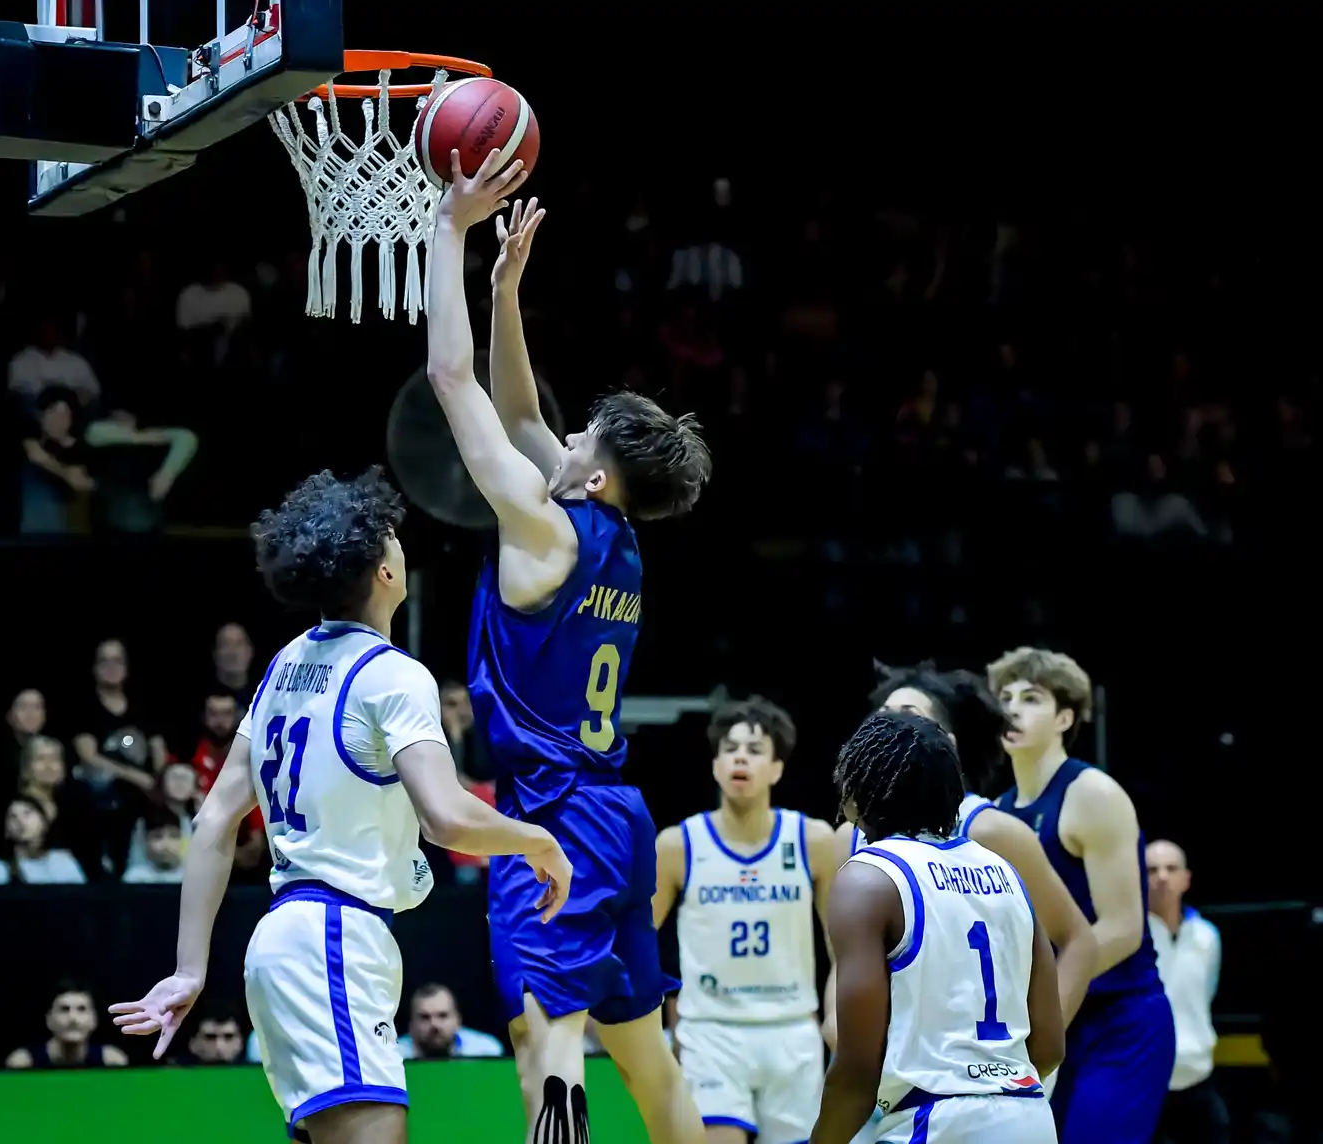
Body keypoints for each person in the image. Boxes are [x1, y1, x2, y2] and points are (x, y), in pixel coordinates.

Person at [109, 466, 572, 1144]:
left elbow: (212, 821)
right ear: (383, 571)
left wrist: (189, 969)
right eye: (393, 538)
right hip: (332, 938)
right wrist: (539, 841)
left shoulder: (283, 666)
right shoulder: (394, 676)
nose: (402, 546)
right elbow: (447, 817)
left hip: (289, 940)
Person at [427, 155, 712, 1144]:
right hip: (618, 814)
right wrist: (505, 291)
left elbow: (452, 380)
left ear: (592, 478)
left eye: (582, 435)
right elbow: (520, 416)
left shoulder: (544, 529)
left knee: (546, 1046)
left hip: (554, 815)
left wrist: (450, 230)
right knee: (647, 1060)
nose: (567, 434)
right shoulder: (612, 535)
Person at [813, 710, 1063, 1144]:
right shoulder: (1004, 872)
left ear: (857, 791)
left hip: (937, 1119)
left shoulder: (869, 878)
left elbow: (856, 1070)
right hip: (1029, 1116)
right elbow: (1050, 1047)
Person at [990, 647, 1174, 1144]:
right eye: (1005, 698)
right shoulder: (996, 813)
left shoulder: (1094, 794)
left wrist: (1038, 1000)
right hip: (1051, 1019)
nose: (1013, 709)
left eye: (1031, 698)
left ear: (1065, 718)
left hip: (1120, 1019)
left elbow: (1123, 928)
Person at [651, 696, 834, 1144]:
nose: (740, 758)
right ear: (715, 765)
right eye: (729, 749)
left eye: (754, 750)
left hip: (792, 1029)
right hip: (710, 1032)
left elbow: (842, 949)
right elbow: (638, 941)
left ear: (777, 769)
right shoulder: (678, 845)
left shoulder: (813, 841)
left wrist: (835, 1019)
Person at [1146, 840, 1230, 1144]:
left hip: (1199, 1078)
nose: (1162, 876)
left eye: (1171, 868)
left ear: (1186, 879)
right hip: (1147, 1081)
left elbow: (1207, 993)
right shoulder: (1129, 940)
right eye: (1152, 870)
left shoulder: (1207, 936)